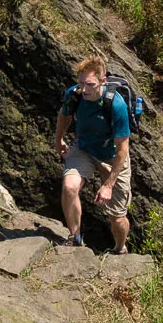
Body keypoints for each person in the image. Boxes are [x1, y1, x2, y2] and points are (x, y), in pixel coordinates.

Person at [54, 54, 131, 253]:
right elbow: (64, 115)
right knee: (70, 187)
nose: (84, 89)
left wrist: (108, 185)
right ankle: (75, 236)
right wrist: (59, 139)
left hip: (111, 157)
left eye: (90, 84)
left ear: (102, 81)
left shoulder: (116, 105)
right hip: (84, 149)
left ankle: (120, 248)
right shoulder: (74, 94)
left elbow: (123, 149)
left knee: (117, 216)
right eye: (81, 83)